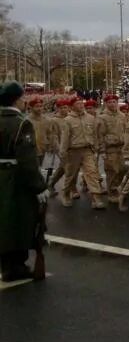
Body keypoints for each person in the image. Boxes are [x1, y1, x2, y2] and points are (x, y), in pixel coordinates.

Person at [0, 81, 48, 282]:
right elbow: (28, 162)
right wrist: (39, 187)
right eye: (23, 97)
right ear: (16, 99)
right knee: (20, 221)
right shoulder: (22, 123)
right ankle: (15, 266)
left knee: (3, 221)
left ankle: (6, 264)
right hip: (15, 179)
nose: (25, 101)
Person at [58, 97, 105, 209]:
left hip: (87, 150)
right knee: (71, 175)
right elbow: (65, 138)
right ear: (72, 106)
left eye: (81, 103)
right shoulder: (68, 120)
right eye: (78, 104)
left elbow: (94, 134)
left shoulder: (90, 118)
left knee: (92, 173)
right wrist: (63, 152)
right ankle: (65, 194)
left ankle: (96, 199)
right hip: (73, 151)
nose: (81, 105)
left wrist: (96, 146)